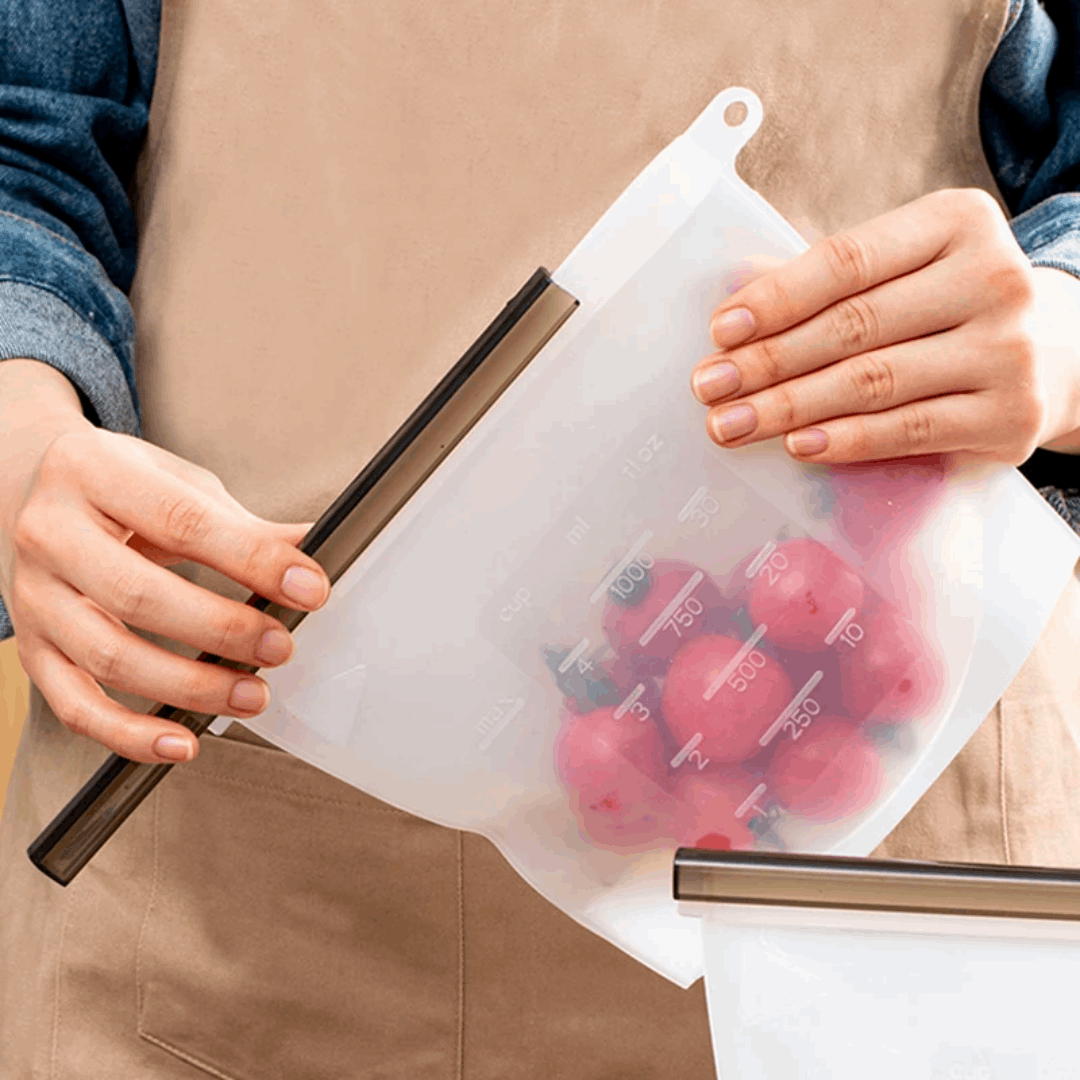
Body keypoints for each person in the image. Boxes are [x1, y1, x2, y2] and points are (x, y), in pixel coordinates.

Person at [0, 0, 1078, 1075]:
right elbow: (22, 152)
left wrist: (1060, 333)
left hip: (874, 858)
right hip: (230, 895)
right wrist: (24, 449)